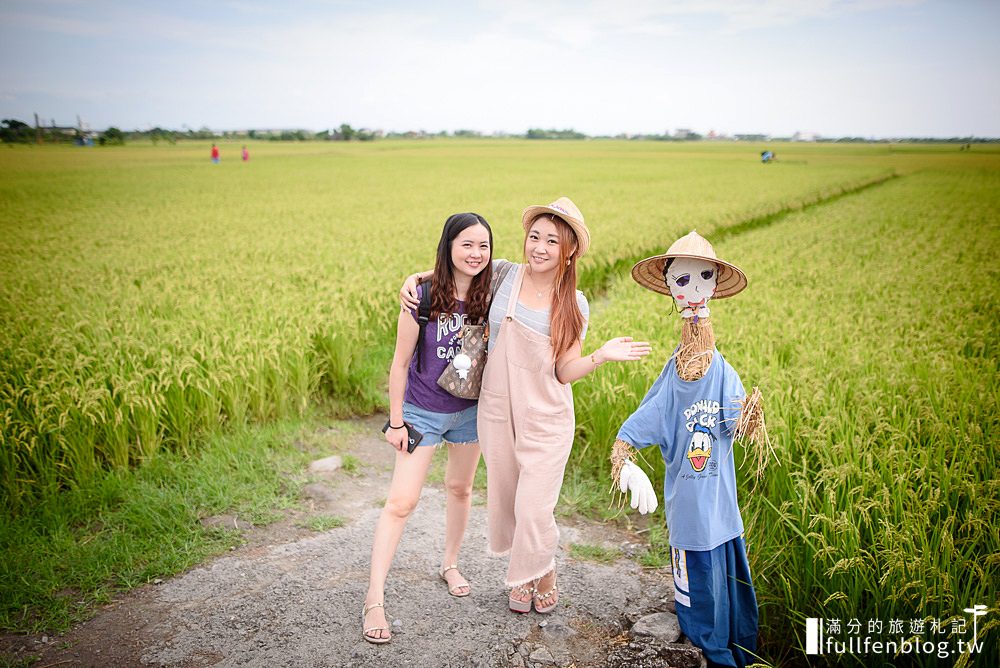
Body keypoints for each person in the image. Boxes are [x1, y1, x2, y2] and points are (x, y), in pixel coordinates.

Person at [402, 197, 650, 615]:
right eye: (534, 236)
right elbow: (460, 266)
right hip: (498, 410)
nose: (539, 246)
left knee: (535, 505)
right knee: (508, 498)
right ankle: (533, 568)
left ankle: (538, 573)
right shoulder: (504, 275)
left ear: (568, 250)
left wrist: (600, 356)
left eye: (551, 240)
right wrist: (413, 278)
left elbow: (565, 370)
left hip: (547, 416)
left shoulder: (576, 304)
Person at [611, 231, 765, 667]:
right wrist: (624, 463)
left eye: (702, 278)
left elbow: (743, 425)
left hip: (724, 512)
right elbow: (633, 429)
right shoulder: (670, 384)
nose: (693, 288)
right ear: (669, 287)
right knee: (700, 602)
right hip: (690, 518)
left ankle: (743, 654)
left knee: (735, 596)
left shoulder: (723, 373)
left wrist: (753, 418)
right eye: (682, 280)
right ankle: (712, 657)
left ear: (715, 285)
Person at [362, 212, 494, 645]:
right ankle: (374, 596)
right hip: (422, 413)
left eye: (483, 246)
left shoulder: (493, 292)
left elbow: (535, 272)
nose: (475, 254)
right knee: (402, 501)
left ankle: (450, 563)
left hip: (471, 414)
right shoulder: (420, 295)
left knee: (461, 488)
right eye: (466, 245)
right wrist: (395, 421)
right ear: (448, 246)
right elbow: (399, 364)